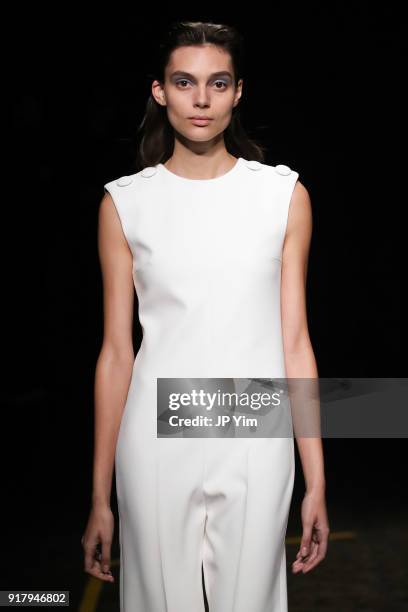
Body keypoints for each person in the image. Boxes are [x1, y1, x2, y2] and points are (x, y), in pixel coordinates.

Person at [81, 20, 329, 612]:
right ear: (160, 91)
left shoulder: (282, 196)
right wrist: (98, 496)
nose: (201, 99)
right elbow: (117, 352)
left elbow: (294, 341)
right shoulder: (125, 203)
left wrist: (316, 477)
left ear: (238, 92)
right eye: (184, 82)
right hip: (155, 433)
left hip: (256, 427)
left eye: (217, 83)